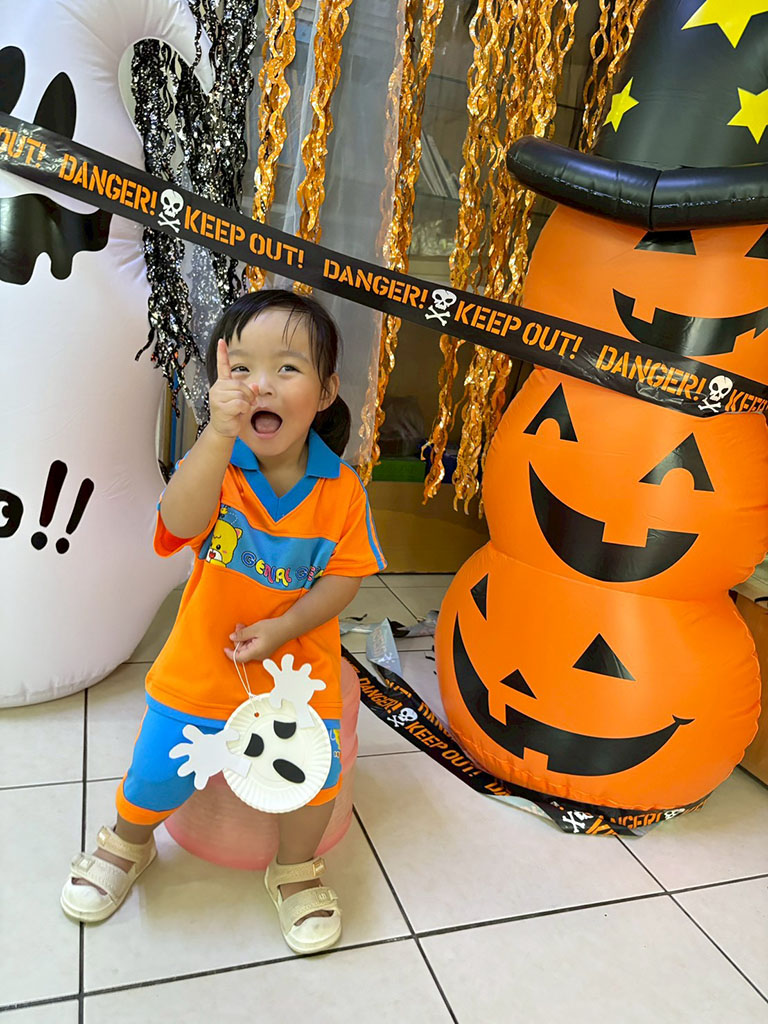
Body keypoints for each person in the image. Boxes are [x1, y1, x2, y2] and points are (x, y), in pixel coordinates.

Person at [60, 289, 386, 954]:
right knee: (158, 764)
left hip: (296, 673)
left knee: (316, 776)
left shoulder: (341, 490)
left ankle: (294, 868)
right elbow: (178, 523)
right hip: (204, 662)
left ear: (325, 393)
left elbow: (345, 577)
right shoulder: (217, 466)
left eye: (287, 368)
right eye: (241, 368)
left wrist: (288, 625)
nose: (260, 383)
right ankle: (128, 841)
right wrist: (214, 435)